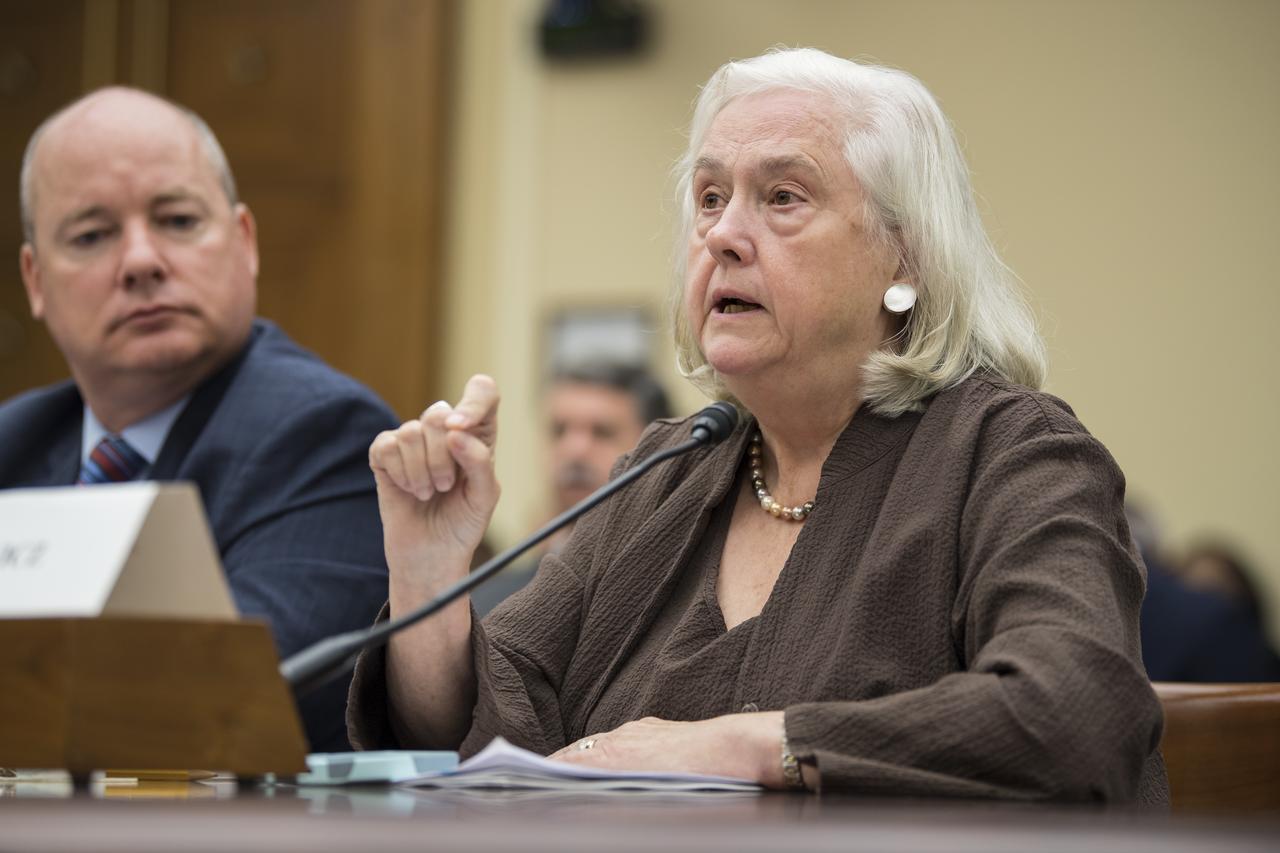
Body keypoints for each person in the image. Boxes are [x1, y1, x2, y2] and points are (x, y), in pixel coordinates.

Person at [350, 49, 1167, 803]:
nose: (722, 236)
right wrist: (426, 575)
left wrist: (739, 747)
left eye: (782, 197)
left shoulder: (1013, 455)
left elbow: (1075, 713)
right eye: (710, 198)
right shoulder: (666, 470)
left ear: (905, 259)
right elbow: (473, 732)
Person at [0, 87, 395, 751]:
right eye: (92, 235)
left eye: (178, 220)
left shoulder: (326, 434)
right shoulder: (14, 444)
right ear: (36, 281)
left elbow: (206, 709)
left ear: (244, 243)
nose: (142, 261)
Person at [470, 362, 672, 616]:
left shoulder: (680, 589)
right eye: (559, 431)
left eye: (602, 432)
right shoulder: (490, 601)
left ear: (659, 448)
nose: (574, 450)